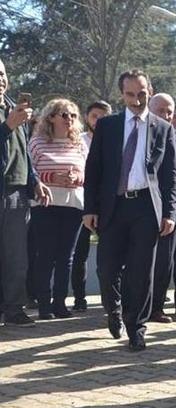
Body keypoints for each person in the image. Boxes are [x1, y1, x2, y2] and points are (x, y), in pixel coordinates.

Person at [83, 69, 176, 351]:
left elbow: (171, 176)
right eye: (130, 95)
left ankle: (137, 326)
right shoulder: (108, 126)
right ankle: (114, 311)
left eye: (142, 94)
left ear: (149, 91)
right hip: (113, 205)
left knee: (141, 271)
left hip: (146, 208)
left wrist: (169, 212)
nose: (136, 100)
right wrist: (90, 208)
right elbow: (95, 168)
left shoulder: (163, 128)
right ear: (122, 94)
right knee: (106, 267)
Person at [0, 58, 51, 328]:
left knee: (17, 256)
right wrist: (7, 126)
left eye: (3, 73)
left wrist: (35, 180)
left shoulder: (14, 108)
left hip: (18, 194)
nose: (0, 79)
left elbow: (24, 153)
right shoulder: (12, 117)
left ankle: (14, 309)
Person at [28, 99, 87, 320]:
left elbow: (88, 172)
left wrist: (76, 177)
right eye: (64, 115)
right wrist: (52, 177)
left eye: (73, 115)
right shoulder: (37, 142)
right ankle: (44, 305)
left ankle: (60, 303)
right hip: (45, 205)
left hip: (72, 206)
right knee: (45, 255)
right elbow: (29, 172)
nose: (69, 119)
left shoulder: (79, 144)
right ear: (51, 117)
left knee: (66, 257)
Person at [146, 93, 176, 323]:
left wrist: (175, 201)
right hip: (143, 208)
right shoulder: (140, 133)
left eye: (169, 112)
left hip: (171, 211)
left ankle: (156, 308)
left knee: (165, 262)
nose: (166, 116)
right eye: (160, 111)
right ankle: (136, 306)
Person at [71, 100, 111, 312]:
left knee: (109, 254)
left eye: (103, 116)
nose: (98, 120)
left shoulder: (113, 140)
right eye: (95, 116)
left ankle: (110, 298)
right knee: (80, 253)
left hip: (107, 203)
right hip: (81, 200)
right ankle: (79, 298)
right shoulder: (78, 141)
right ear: (87, 117)